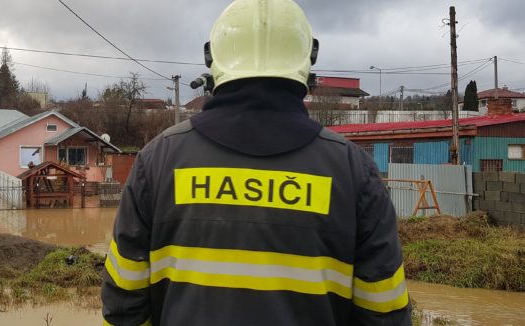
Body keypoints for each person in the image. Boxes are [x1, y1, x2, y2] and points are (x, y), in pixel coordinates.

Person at [101, 0, 411, 325]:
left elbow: (124, 303)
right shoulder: (353, 171)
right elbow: (384, 312)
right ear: (308, 58)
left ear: (212, 57)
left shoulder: (158, 160)